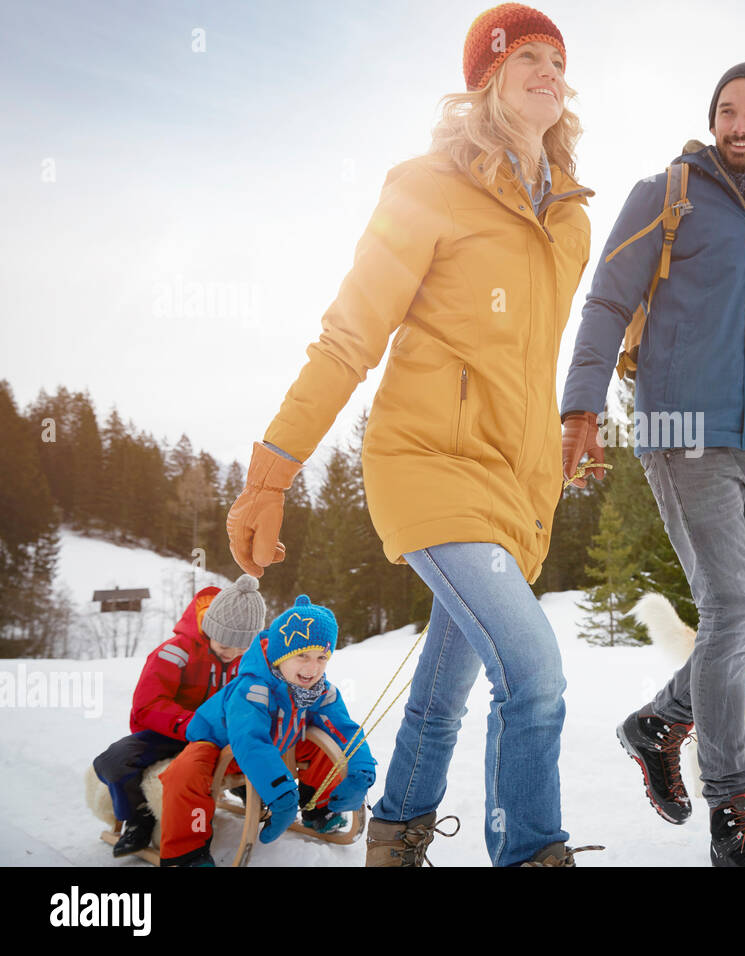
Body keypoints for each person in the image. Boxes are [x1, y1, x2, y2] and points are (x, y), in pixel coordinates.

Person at [224, 3, 598, 867]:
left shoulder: (571, 221)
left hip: (516, 483)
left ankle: (394, 838)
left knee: (441, 692)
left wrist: (582, 412)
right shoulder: (427, 187)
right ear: (486, 79)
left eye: (557, 58)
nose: (548, 69)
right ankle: (533, 853)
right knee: (534, 677)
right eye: (526, 56)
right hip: (428, 463)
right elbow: (349, 336)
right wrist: (271, 473)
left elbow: (542, 350)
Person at [560, 61, 745, 866]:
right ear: (713, 120)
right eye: (728, 111)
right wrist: (582, 408)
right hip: (683, 433)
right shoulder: (667, 196)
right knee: (731, 609)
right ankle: (734, 815)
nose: (740, 124)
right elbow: (607, 301)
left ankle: (659, 722)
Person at [158, 594, 376, 866]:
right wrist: (281, 794)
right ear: (279, 655)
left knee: (322, 744)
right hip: (221, 745)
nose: (313, 667)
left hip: (274, 745)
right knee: (185, 772)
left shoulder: (320, 690)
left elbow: (344, 730)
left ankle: (318, 809)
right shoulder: (253, 689)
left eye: (322, 656)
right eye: (302, 655)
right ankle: (186, 853)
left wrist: (361, 771)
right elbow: (249, 741)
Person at [92, 573, 266, 856]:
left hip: (217, 738)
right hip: (171, 731)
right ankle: (139, 817)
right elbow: (147, 705)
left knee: (255, 742)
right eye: (224, 645)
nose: (231, 654)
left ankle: (247, 791)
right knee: (113, 761)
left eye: (241, 647)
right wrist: (190, 724)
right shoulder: (175, 652)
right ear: (209, 630)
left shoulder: (249, 656)